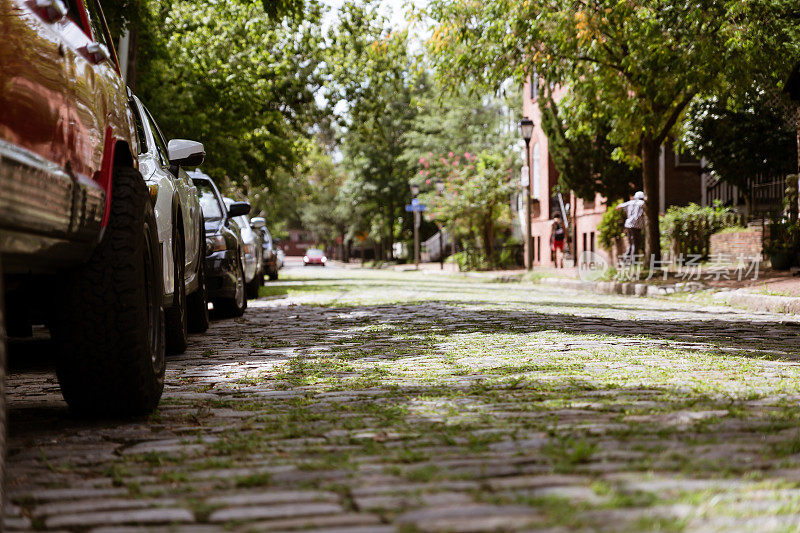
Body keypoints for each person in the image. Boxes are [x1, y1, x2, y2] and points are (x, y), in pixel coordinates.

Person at [616, 191, 646, 262]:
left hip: (628, 225)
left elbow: (618, 206)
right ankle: (634, 262)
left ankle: (625, 260)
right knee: (636, 244)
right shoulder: (642, 203)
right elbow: (652, 210)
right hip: (636, 226)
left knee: (631, 243)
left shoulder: (630, 202)